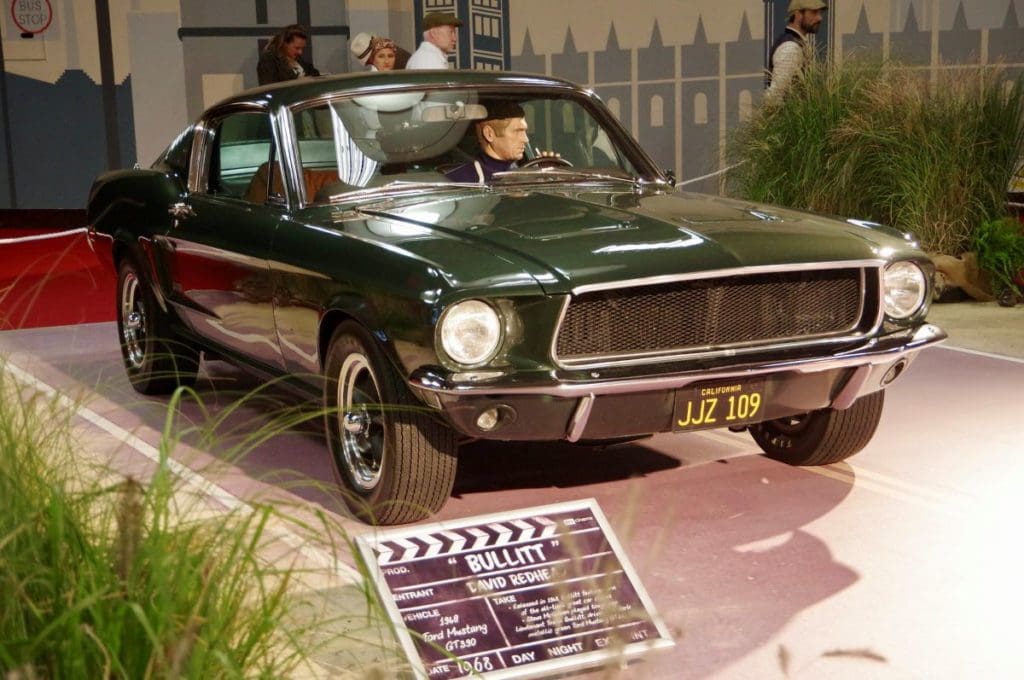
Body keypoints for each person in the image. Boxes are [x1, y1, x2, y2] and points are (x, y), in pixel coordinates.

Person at [445, 102, 560, 183]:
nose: (526, 139)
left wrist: (548, 179)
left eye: (524, 131)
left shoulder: (526, 173)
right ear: (489, 134)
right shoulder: (460, 181)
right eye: (517, 131)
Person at [766, 0, 827, 99]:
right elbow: (774, 97)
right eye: (814, 12)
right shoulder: (790, 48)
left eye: (820, 13)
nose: (820, 18)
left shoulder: (796, 43)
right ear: (798, 14)